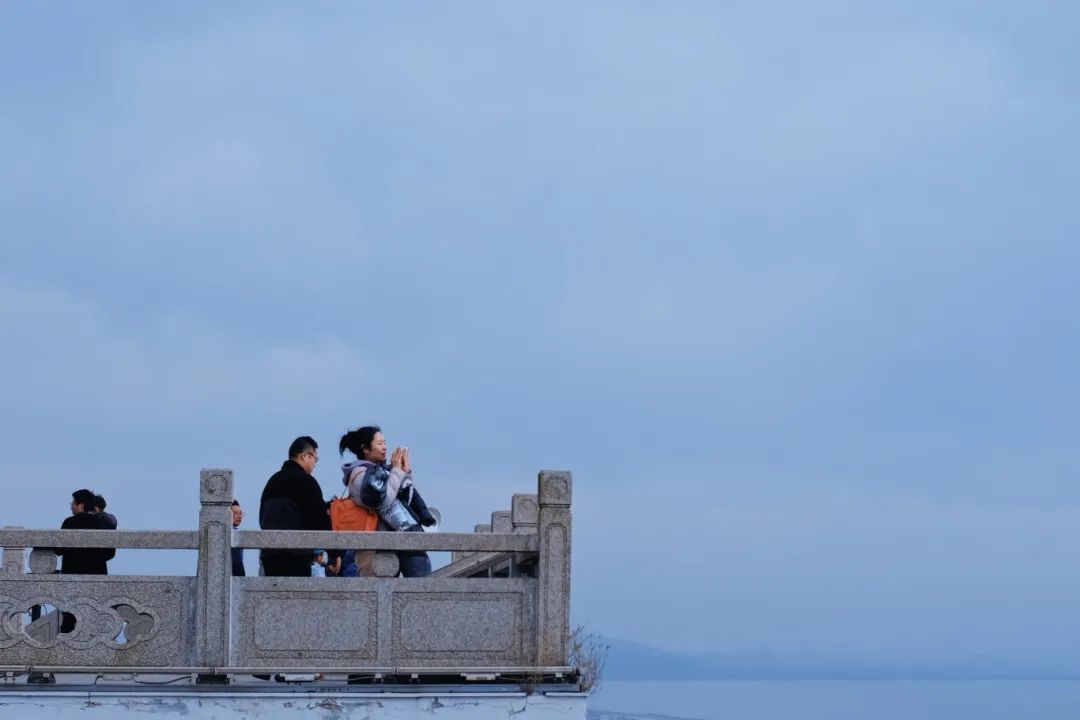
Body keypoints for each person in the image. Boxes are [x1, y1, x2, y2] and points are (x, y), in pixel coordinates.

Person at [339, 426, 436, 578]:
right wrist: (397, 471)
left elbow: (405, 502)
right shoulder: (359, 473)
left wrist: (405, 473)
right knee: (376, 597)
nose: (384, 447)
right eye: (379, 443)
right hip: (373, 548)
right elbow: (382, 501)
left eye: (385, 443)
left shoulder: (383, 470)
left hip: (391, 542)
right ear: (365, 449)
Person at [258, 436, 333, 577]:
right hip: (296, 555)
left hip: (270, 554)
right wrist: (335, 553)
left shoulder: (272, 481)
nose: (315, 463)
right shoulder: (307, 482)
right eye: (315, 459)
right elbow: (319, 520)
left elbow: (263, 517)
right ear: (305, 456)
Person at [56, 489, 116, 575]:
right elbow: (110, 553)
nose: (71, 506)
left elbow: (59, 550)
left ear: (81, 505)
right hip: (98, 574)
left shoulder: (69, 522)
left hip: (71, 573)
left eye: (73, 503)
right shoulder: (104, 523)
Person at [231, 500, 246, 577]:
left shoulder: (236, 531)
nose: (239, 516)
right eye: (235, 513)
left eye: (240, 513)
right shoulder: (233, 533)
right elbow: (237, 561)